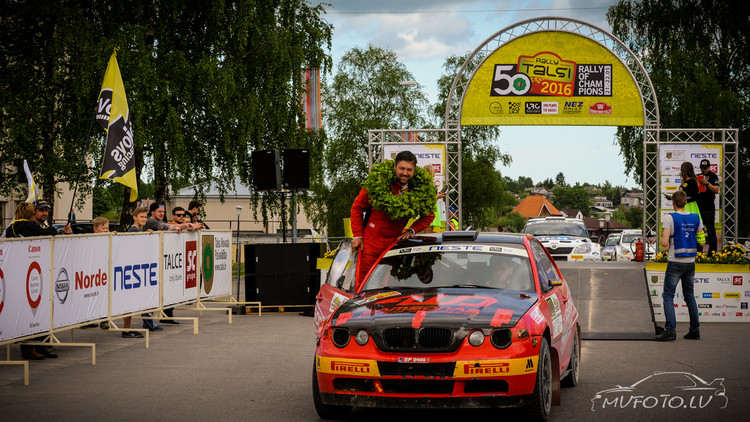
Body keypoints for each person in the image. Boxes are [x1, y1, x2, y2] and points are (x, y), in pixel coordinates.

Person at [350, 151, 436, 288]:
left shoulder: (419, 189)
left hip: (395, 242)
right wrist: (357, 235)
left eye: (409, 170)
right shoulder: (377, 183)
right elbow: (357, 207)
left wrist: (411, 230)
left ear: (414, 171)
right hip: (371, 240)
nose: (405, 173)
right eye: (402, 168)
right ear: (395, 166)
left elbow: (429, 215)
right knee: (363, 282)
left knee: (392, 283)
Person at [4, 202, 60, 359]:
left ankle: (40, 344)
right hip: (28, 273)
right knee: (31, 312)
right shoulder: (26, 226)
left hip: (21, 272)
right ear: (31, 214)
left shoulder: (12, 227)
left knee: (34, 311)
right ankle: (30, 348)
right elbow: (51, 231)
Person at [655, 190, 705, 341]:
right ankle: (694, 330)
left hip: (675, 261)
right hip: (690, 262)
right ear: (685, 203)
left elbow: (664, 243)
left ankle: (670, 330)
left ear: (673, 203)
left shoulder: (669, 218)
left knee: (668, 296)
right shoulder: (696, 217)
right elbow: (702, 242)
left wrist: (669, 239)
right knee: (690, 296)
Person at [697, 159, 720, 253]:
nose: (704, 170)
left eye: (705, 168)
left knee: (710, 230)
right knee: (699, 230)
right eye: (702, 168)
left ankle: (712, 252)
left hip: (709, 208)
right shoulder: (697, 176)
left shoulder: (713, 176)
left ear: (709, 167)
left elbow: (716, 190)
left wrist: (707, 183)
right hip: (698, 207)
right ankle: (698, 253)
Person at [422, 165, 445, 234]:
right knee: (428, 229)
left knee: (430, 230)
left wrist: (438, 195)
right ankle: (427, 243)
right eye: (433, 170)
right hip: (428, 209)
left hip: (432, 208)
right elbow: (427, 200)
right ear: (430, 171)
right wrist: (437, 196)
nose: (435, 172)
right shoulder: (426, 183)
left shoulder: (430, 183)